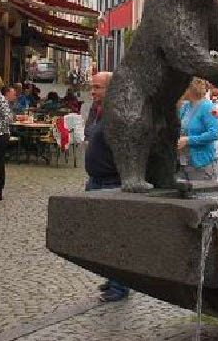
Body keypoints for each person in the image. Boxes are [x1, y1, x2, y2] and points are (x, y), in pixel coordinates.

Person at [83, 71, 130, 302]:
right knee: (101, 234)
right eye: (92, 87)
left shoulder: (119, 113)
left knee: (115, 235)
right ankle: (113, 279)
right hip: (96, 180)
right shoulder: (98, 110)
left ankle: (120, 285)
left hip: (112, 181)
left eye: (98, 87)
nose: (92, 91)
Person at [178, 77, 218, 181]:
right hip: (183, 163)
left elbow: (214, 133)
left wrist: (188, 140)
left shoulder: (207, 107)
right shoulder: (185, 107)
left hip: (202, 165)